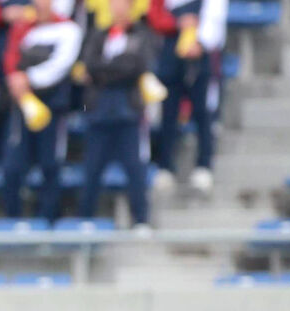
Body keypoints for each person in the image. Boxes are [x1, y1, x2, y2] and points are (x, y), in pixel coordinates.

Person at [0, 0, 79, 221]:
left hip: (53, 107)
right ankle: (12, 219)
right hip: (22, 104)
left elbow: (60, 66)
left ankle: (49, 219)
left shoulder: (68, 29)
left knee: (50, 164)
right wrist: (15, 79)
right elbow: (11, 58)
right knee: (13, 166)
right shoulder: (23, 27)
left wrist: (27, 79)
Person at [77, 0, 153, 226]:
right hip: (98, 113)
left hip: (128, 113)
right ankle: (86, 219)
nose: (117, 7)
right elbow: (89, 64)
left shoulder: (143, 35)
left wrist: (103, 72)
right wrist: (113, 70)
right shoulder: (98, 35)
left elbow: (136, 66)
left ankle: (140, 220)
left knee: (135, 169)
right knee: (91, 170)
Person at [146, 0, 224, 194]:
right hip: (171, 53)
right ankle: (165, 166)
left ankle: (204, 165)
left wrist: (200, 43)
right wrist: (175, 24)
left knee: (202, 112)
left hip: (199, 54)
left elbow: (215, 16)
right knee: (169, 112)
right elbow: (155, 14)